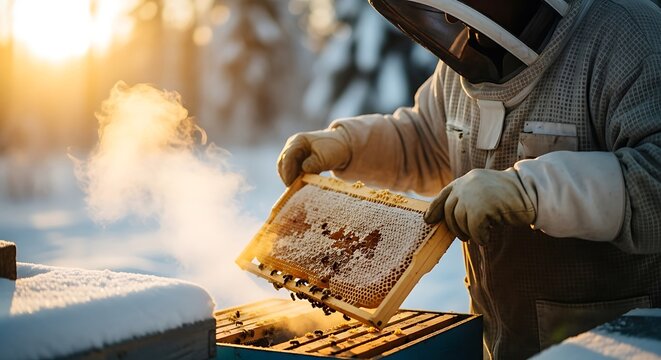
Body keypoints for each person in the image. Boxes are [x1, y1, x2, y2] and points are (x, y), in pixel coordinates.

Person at [277, 0, 661, 358]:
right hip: (503, 339)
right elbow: (427, 139)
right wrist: (347, 145)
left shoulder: (630, 34)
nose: (449, 20)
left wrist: (531, 191)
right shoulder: (470, 53)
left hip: (614, 345)